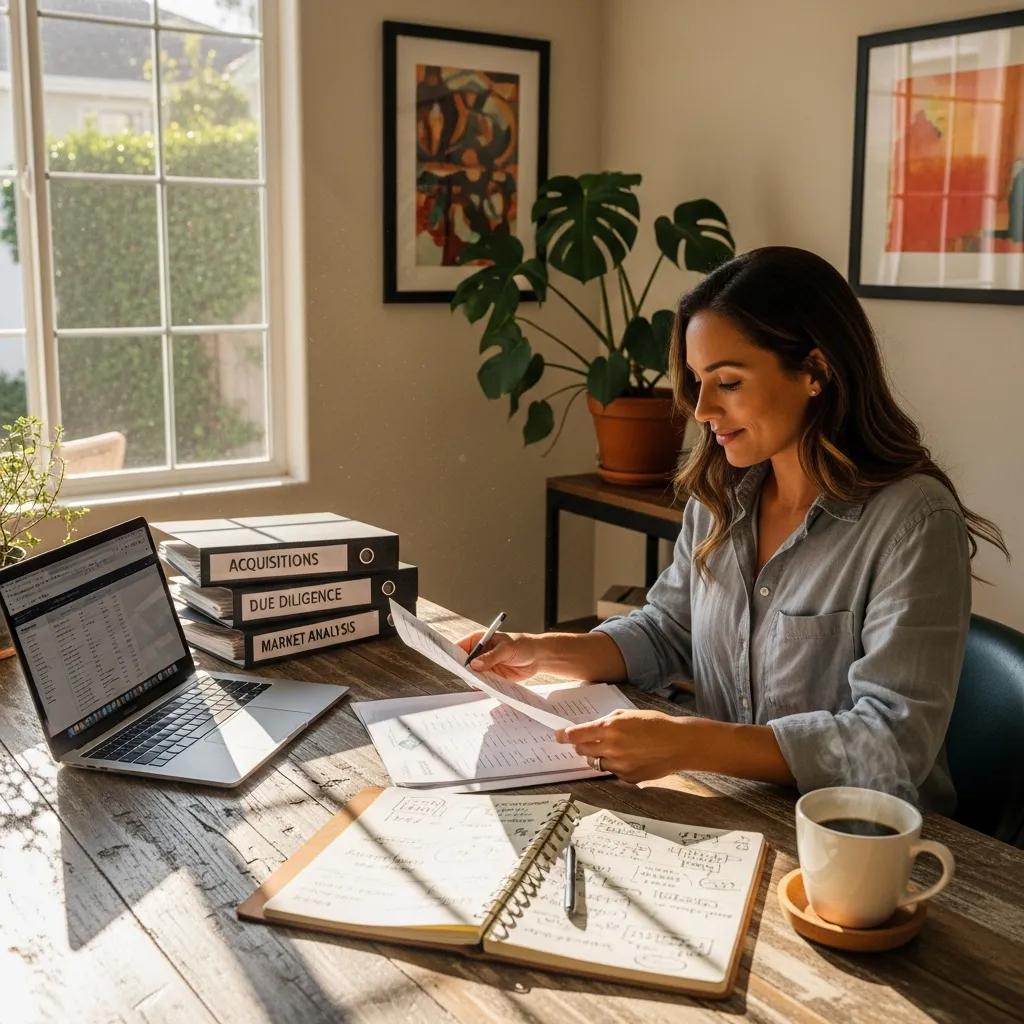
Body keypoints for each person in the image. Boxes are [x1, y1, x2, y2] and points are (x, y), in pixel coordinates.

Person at [458, 246, 1009, 813]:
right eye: (698, 381)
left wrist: (691, 743)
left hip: (866, 843)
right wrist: (542, 651)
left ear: (815, 372)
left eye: (727, 382)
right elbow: (672, 629)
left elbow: (892, 743)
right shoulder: (722, 494)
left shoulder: (913, 522)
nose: (700, 409)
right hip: (734, 809)